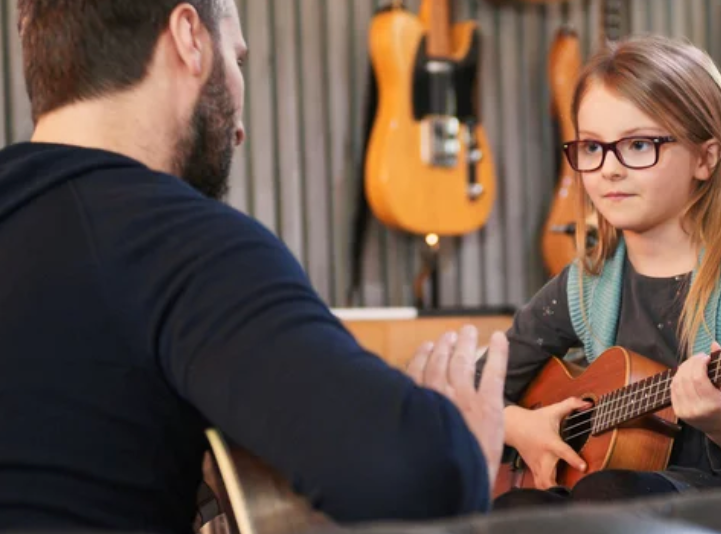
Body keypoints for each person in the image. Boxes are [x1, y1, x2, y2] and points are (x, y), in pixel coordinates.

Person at [0, 1, 508, 532]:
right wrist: (464, 445)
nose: (240, 130)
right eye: (237, 59)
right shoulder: (179, 241)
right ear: (189, 38)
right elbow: (419, 475)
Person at [481, 34, 721, 509]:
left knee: (611, 494)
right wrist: (520, 425)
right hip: (621, 503)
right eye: (592, 147)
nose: (609, 169)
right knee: (514, 509)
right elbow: (478, 387)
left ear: (705, 158)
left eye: (639, 144)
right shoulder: (586, 284)